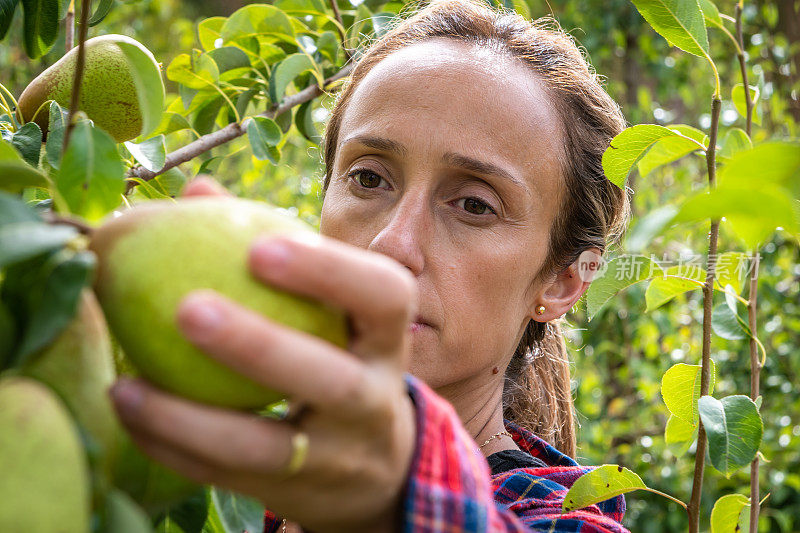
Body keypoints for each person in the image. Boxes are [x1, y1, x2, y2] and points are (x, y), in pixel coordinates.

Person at [109, 0, 632, 530]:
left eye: (475, 204)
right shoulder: (211, 484)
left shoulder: (566, 520)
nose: (391, 245)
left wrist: (387, 507)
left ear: (563, 281)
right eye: (368, 178)